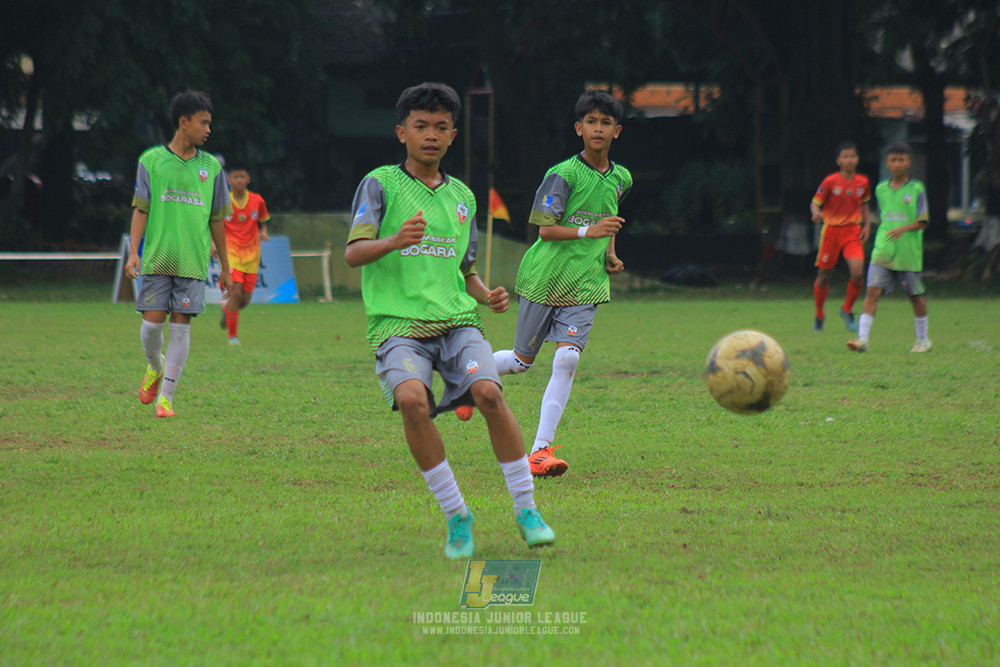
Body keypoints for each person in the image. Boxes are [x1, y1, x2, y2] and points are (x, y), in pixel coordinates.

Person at [344, 82, 555, 559]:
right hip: (397, 327)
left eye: (441, 127)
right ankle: (458, 516)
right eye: (421, 126)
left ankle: (527, 508)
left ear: (454, 134)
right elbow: (354, 253)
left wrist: (485, 294)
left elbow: (465, 269)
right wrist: (394, 241)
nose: (431, 135)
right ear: (402, 132)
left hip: (458, 323)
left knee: (488, 394)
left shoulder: (462, 197)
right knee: (413, 402)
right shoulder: (380, 184)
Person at [488, 90, 633, 478]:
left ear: (616, 131)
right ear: (578, 128)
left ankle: (539, 450)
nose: (598, 128)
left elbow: (609, 219)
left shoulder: (621, 178)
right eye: (591, 122)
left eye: (606, 123)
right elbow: (546, 231)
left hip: (585, 285)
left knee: (567, 358)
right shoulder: (563, 175)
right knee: (521, 363)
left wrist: (608, 251)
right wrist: (591, 232)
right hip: (545, 279)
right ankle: (467, 372)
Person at [125, 90, 233, 417]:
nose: (208, 129)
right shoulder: (151, 161)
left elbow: (217, 219)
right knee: (152, 325)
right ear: (184, 123)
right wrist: (133, 252)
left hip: (193, 261)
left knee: (182, 325)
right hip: (158, 258)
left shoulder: (212, 167)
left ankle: (166, 399)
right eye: (203, 122)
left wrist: (226, 267)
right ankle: (154, 368)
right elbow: (140, 209)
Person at [848, 143, 931, 353]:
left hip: (908, 252)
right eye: (892, 160)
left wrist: (903, 229)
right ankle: (862, 340)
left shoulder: (916, 189)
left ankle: (923, 340)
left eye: (901, 160)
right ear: (887, 163)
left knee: (914, 295)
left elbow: (924, 221)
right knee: (872, 291)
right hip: (883, 249)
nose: (896, 164)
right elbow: (883, 216)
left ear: (908, 163)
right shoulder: (880, 189)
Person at [810, 142, 872, 332]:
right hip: (831, 232)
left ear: (857, 159)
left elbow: (864, 205)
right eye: (845, 156)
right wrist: (816, 213)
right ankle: (819, 315)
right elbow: (815, 202)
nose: (849, 160)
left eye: (852, 156)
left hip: (852, 232)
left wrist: (867, 225)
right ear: (838, 160)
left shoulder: (863, 182)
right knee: (823, 277)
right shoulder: (830, 181)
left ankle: (846, 309)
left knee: (858, 273)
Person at [216, 164, 270, 345]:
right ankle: (233, 336)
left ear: (248, 180)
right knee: (236, 291)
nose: (239, 180)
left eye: (242, 177)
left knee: (244, 301)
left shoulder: (257, 201)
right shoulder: (223, 201)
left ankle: (227, 311)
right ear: (229, 181)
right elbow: (213, 223)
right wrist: (212, 244)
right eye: (235, 177)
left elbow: (262, 222)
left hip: (252, 255)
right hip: (230, 253)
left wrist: (263, 231)